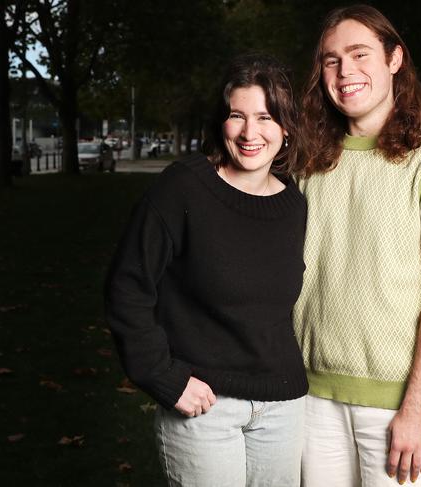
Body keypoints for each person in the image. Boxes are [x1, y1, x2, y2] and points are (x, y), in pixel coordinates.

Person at [293, 5, 421, 487]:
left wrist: (417, 408)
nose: (345, 72)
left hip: (401, 404)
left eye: (360, 54)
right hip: (312, 396)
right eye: (331, 60)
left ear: (395, 59)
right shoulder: (308, 162)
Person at [105, 53, 308, 487]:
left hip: (282, 408)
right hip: (205, 407)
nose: (250, 133)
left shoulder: (294, 205)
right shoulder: (183, 187)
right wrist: (161, 376)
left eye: (266, 117)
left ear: (287, 128)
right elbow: (128, 286)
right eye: (238, 115)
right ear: (222, 122)